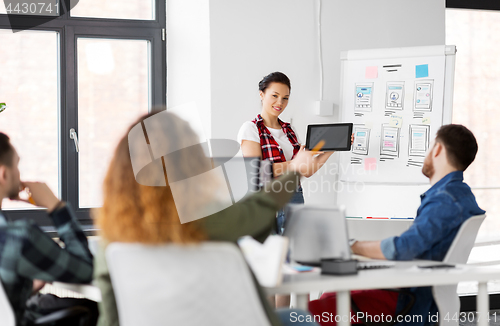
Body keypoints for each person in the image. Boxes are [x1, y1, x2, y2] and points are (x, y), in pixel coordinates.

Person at [94, 111, 326, 326]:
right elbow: (258, 210)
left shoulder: (113, 242)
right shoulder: (207, 220)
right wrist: (295, 170)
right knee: (298, 318)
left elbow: (110, 317)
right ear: (191, 162)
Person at [308, 124, 485, 326]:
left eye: (430, 147)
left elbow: (404, 248)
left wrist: (351, 246)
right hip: (418, 290)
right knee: (331, 292)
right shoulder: (461, 194)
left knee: (307, 313)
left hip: (409, 300)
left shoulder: (445, 200)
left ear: (437, 149)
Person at [0, 133, 94, 325]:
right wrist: (55, 206)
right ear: (4, 174)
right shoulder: (19, 238)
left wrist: (25, 286)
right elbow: (85, 270)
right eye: (16, 165)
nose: (19, 173)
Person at [238, 72, 335, 235]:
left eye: (285, 98)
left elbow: (307, 171)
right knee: (272, 251)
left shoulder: (289, 130)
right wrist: (295, 163)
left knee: (294, 250)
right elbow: (255, 171)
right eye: (274, 96)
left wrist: (333, 147)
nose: (280, 102)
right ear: (262, 94)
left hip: (294, 196)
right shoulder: (251, 129)